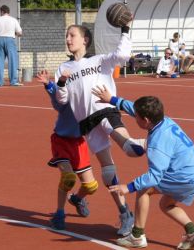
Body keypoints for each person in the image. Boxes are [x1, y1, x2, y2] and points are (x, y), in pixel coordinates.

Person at [55, 24, 145, 236]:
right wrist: (60, 83)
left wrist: (125, 29)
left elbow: (123, 55)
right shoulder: (63, 68)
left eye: (72, 35)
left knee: (131, 149)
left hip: (105, 111)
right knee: (108, 172)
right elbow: (62, 100)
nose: (68, 39)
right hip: (86, 123)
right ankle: (125, 213)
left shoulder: (99, 60)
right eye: (66, 35)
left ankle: (155, 143)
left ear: (85, 39)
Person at [91, 88, 194, 249]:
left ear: (145, 120)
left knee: (143, 189)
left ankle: (137, 236)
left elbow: (155, 176)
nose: (134, 117)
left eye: (136, 117)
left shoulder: (157, 143)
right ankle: (193, 232)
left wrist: (128, 187)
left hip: (183, 176)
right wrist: (113, 100)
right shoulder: (164, 120)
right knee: (166, 204)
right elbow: (134, 108)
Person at [36, 69, 99, 230]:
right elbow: (56, 94)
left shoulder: (88, 100)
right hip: (62, 142)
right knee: (68, 178)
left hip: (79, 143)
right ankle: (59, 214)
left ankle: (77, 199)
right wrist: (47, 83)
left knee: (91, 186)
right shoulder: (64, 99)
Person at [0, 5, 22, 86]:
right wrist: (14, 33)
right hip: (10, 40)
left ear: (2, 11)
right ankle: (13, 81)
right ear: (8, 12)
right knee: (12, 61)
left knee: (0, 61)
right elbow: (20, 33)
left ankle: (0, 82)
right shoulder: (13, 20)